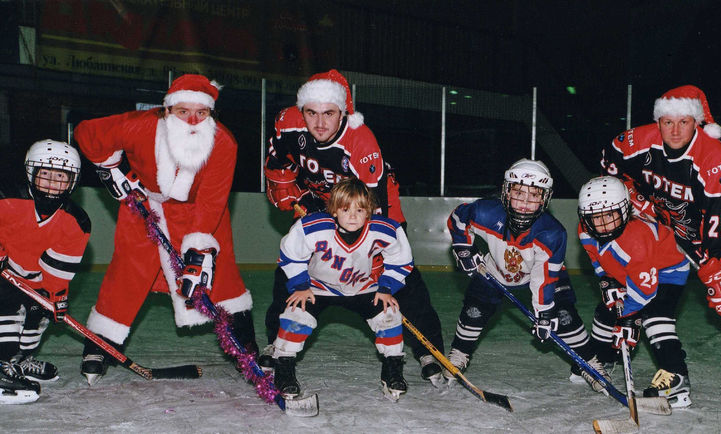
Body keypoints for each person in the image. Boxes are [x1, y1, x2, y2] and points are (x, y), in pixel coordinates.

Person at [261, 69, 444, 385]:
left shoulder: (361, 143)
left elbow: (376, 212)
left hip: (370, 202)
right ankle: (277, 341)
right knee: (291, 270)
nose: (319, 124)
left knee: (405, 279)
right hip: (319, 200)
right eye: (312, 113)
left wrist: (378, 258)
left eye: (329, 114)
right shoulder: (287, 122)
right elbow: (279, 164)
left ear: (343, 112)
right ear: (301, 109)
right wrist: (286, 190)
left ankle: (428, 348)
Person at [73, 74, 257, 385]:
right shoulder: (139, 125)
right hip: (144, 207)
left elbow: (212, 201)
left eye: (202, 113)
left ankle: (244, 348)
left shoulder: (223, 142)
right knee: (126, 275)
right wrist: (110, 167)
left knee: (221, 277)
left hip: (199, 214)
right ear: (166, 110)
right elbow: (87, 132)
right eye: (183, 111)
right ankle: (99, 347)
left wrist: (199, 250)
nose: (192, 120)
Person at [601, 84, 721, 401]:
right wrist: (633, 196)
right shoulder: (637, 141)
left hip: (702, 234)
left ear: (696, 122)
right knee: (637, 284)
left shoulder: (713, 157)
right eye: (667, 121)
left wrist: (718, 267)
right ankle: (623, 358)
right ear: (658, 121)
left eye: (683, 122)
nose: (674, 129)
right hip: (659, 226)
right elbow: (610, 162)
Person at [443, 158, 608, 393]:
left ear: (544, 199)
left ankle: (590, 364)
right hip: (495, 271)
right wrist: (464, 247)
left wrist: (544, 313)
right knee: (474, 311)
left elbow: (543, 281)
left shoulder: (552, 233)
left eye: (534, 196)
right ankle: (459, 354)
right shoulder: (484, 212)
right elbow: (458, 219)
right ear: (506, 192)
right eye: (519, 193)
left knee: (564, 316)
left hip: (540, 277)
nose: (524, 203)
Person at [270, 178, 411, 400]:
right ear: (334, 210)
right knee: (296, 313)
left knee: (390, 314)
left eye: (360, 210)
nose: (353, 216)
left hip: (360, 287)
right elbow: (290, 253)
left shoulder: (385, 229)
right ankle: (283, 369)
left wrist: (386, 287)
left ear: (369, 212)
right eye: (346, 209)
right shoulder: (313, 226)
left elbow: (400, 259)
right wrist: (300, 285)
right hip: (319, 287)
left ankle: (392, 370)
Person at [577, 176, 692, 408]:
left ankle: (676, 375)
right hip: (630, 270)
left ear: (625, 210)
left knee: (654, 316)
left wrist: (628, 317)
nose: (603, 224)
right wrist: (607, 280)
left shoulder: (636, 238)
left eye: (609, 215)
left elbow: (645, 291)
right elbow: (596, 258)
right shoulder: (585, 231)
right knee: (606, 311)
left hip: (668, 271)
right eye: (595, 217)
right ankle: (603, 361)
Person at [0, 139, 90, 403]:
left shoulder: (77, 222)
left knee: (38, 314)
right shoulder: (6, 198)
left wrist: (54, 298)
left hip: (27, 279)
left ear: (72, 181)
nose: (52, 182)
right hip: (4, 273)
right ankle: (1, 363)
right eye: (46, 174)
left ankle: (19, 360)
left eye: (61, 176)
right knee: (6, 306)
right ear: (31, 173)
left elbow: (57, 272)